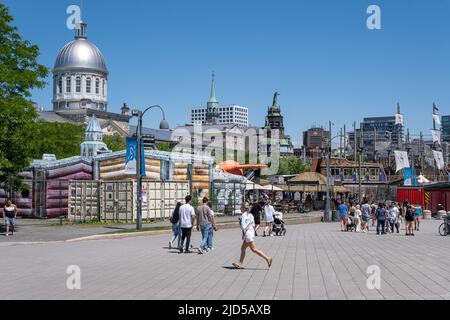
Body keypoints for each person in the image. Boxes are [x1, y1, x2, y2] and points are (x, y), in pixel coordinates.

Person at [232, 204, 272, 269]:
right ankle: (240, 263)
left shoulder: (243, 216)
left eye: (241, 207)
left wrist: (243, 234)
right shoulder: (250, 215)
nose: (240, 208)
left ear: (244, 208)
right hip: (250, 233)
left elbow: (243, 226)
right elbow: (253, 225)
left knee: (254, 249)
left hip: (247, 234)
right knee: (243, 248)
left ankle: (268, 258)